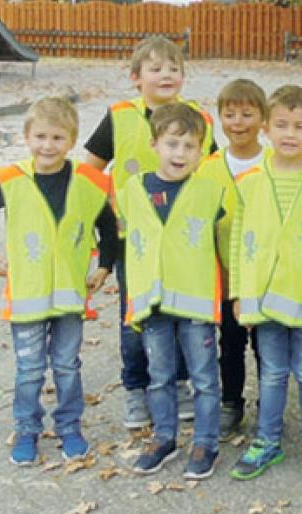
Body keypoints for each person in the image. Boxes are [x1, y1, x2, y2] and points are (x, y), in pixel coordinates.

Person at [0, 98, 117, 465]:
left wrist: (106, 265)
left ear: (71, 141)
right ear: (26, 137)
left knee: (67, 366)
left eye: (57, 138)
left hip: (70, 295)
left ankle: (70, 428)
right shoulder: (12, 179)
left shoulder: (87, 182)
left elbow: (107, 225)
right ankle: (27, 431)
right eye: (40, 136)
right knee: (29, 369)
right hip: (28, 295)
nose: (47, 145)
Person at [84, 36, 216, 429]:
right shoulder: (120, 116)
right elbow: (90, 170)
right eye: (156, 69)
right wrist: (103, 222)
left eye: (174, 68)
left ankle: (176, 383)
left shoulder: (198, 120)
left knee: (179, 310)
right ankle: (136, 389)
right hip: (134, 240)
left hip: (183, 240)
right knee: (136, 315)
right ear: (135, 77)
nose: (166, 75)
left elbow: (213, 172)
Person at [227, 86, 302, 485]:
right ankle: (267, 440)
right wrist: (238, 293)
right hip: (263, 300)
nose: (289, 134)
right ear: (266, 128)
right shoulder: (248, 182)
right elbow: (237, 239)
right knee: (272, 373)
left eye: (300, 127)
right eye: (281, 125)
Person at [117, 104, 223, 479]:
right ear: (155, 144)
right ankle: (165, 438)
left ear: (202, 150)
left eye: (191, 146)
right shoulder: (134, 189)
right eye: (172, 144)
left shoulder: (212, 191)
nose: (181, 154)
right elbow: (129, 241)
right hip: (153, 304)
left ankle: (206, 442)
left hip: (195, 302)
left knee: (204, 378)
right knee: (160, 376)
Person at [196, 78, 267, 440]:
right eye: (230, 115)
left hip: (268, 276)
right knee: (231, 342)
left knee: (268, 346)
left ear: (263, 118)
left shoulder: (275, 162)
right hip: (223, 274)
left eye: (247, 114)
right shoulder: (208, 167)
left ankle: (269, 405)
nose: (238, 123)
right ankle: (231, 401)